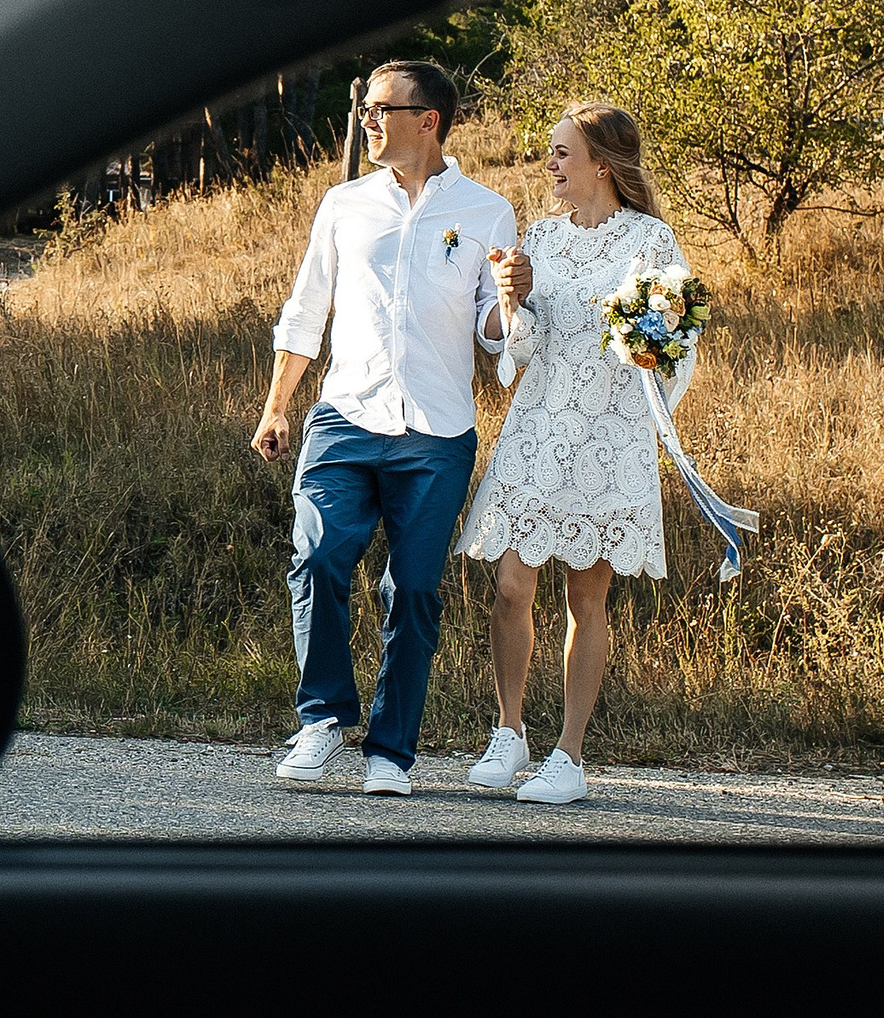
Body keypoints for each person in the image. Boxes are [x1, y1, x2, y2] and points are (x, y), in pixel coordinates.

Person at [253, 60, 517, 793]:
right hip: (344, 416)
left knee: (412, 591)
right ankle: (324, 719)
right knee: (317, 555)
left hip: (436, 433)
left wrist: (510, 300)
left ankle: (390, 752)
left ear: (427, 120)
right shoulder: (343, 204)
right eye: (363, 108)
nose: (366, 120)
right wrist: (279, 404)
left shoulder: (488, 211)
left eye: (379, 108)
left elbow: (492, 334)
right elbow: (307, 310)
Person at [455, 101, 692, 805]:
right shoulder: (541, 238)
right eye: (550, 152)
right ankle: (509, 729)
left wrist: (641, 328)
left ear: (601, 162)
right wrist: (514, 301)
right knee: (510, 585)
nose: (550, 164)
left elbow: (666, 351)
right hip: (537, 427)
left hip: (606, 436)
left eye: (562, 152)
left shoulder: (653, 242)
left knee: (585, 595)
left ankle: (570, 753)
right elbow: (519, 349)